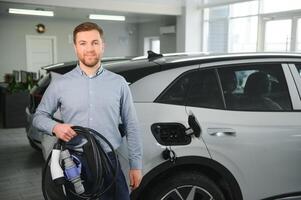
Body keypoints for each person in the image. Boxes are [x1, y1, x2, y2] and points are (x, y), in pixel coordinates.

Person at [33, 22, 143, 199]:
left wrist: (136, 165)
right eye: (83, 43)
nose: (89, 48)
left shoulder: (118, 83)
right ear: (75, 47)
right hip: (74, 163)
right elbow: (39, 117)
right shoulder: (60, 84)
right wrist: (56, 127)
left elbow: (132, 125)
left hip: (109, 162)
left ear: (102, 46)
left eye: (95, 42)